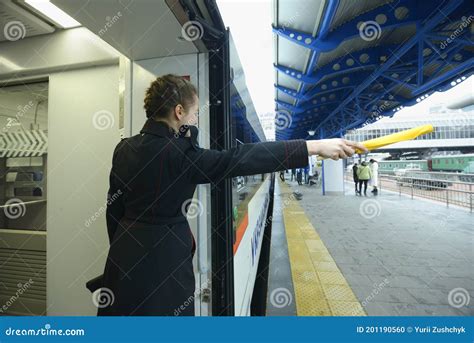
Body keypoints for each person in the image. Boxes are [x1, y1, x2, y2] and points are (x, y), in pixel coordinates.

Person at [96, 74, 367, 316]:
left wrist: (122, 252)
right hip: (164, 266)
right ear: (179, 111)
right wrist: (313, 146)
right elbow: (240, 158)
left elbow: (113, 210)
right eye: (193, 114)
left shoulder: (124, 148)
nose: (194, 120)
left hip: (122, 259)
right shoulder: (180, 154)